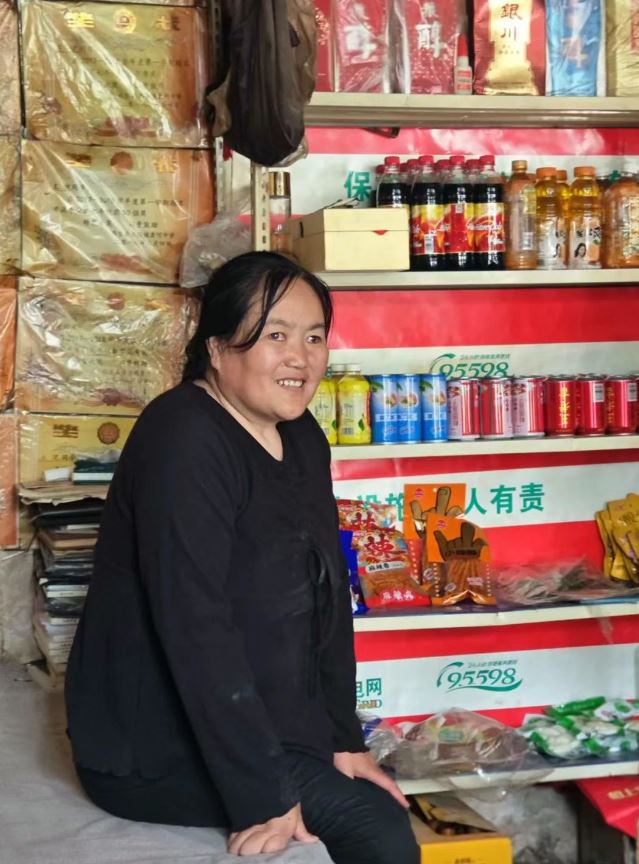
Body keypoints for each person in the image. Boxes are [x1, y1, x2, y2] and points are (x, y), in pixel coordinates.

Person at [64, 251, 419, 864]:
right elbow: (194, 625)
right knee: (378, 832)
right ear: (217, 347)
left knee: (379, 803)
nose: (300, 357)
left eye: (314, 337)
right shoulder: (182, 437)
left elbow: (328, 595)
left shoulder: (301, 435)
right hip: (158, 743)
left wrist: (344, 738)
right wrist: (263, 794)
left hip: (270, 720)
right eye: (275, 336)